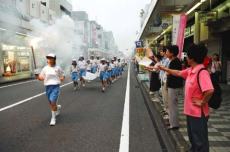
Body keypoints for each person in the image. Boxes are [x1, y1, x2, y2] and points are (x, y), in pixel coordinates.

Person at [158, 44, 214, 152]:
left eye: (187, 56)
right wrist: (163, 68)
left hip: (198, 113)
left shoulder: (202, 72)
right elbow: (178, 72)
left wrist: (202, 101)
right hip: (191, 112)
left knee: (200, 139)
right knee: (193, 137)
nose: (186, 58)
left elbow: (210, 90)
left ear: (192, 58)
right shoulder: (191, 70)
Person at [36, 53, 65, 126]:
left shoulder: (58, 68)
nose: (49, 59)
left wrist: (62, 78)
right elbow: (41, 77)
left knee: (52, 102)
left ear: (54, 59)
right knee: (51, 103)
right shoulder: (45, 68)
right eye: (48, 58)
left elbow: (62, 75)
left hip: (55, 86)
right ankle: (57, 107)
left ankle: (53, 118)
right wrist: (38, 77)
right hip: (48, 87)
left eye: (51, 58)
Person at [165, 45, 183, 130]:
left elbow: (172, 73)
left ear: (172, 53)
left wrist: (167, 71)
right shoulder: (174, 61)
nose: (166, 53)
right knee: (172, 105)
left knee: (173, 105)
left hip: (174, 86)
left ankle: (174, 124)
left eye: (167, 51)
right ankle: (172, 122)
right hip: (173, 86)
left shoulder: (175, 62)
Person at [159, 46, 170, 121]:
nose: (160, 52)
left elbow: (165, 69)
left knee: (166, 97)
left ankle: (168, 113)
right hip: (163, 79)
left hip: (166, 80)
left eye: (161, 51)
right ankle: (166, 110)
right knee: (164, 96)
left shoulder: (168, 60)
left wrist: (159, 66)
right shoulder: (163, 59)